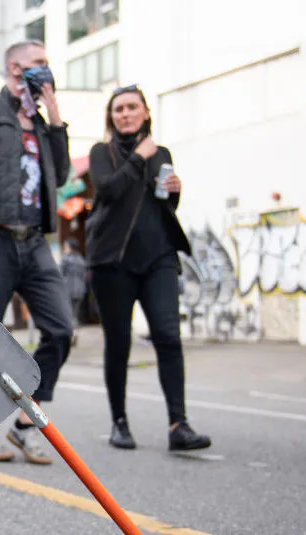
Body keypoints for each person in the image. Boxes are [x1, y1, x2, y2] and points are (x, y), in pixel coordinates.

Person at [0, 40, 72, 465]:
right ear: (15, 68)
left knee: (61, 330)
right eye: (39, 63)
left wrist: (55, 119)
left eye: (47, 64)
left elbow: (61, 175)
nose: (45, 70)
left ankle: (24, 424)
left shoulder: (41, 123)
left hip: (34, 241)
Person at [85, 85, 211, 452]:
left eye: (132, 107)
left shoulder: (162, 153)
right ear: (111, 117)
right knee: (119, 343)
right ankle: (119, 423)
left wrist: (174, 190)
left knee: (169, 337)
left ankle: (179, 425)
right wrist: (139, 157)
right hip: (113, 262)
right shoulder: (101, 153)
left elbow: (160, 204)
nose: (125, 114)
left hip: (158, 258)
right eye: (118, 109)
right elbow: (110, 190)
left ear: (145, 113)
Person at [59, 238, 87, 345]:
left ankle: (70, 335)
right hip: (79, 291)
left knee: (67, 314)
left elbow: (59, 274)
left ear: (70, 248)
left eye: (65, 247)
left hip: (68, 290)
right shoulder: (81, 260)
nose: (64, 249)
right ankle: (75, 332)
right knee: (75, 314)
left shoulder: (65, 260)